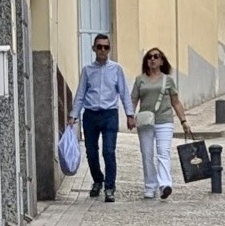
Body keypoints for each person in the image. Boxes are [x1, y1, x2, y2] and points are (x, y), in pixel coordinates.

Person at [67, 34, 135, 203]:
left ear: (109, 49)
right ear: (94, 49)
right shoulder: (87, 70)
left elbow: (124, 93)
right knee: (91, 153)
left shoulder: (116, 69)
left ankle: (110, 187)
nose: (103, 50)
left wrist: (130, 114)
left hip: (109, 114)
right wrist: (73, 115)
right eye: (99, 47)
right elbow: (80, 94)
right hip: (90, 115)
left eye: (106, 47)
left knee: (108, 151)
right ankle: (98, 180)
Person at [131, 47, 191, 200]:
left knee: (163, 153)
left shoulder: (168, 80)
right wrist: (130, 116)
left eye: (156, 56)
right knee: (147, 154)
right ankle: (150, 186)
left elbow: (176, 102)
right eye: (149, 57)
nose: (152, 59)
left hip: (164, 120)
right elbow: (133, 100)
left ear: (161, 61)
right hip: (145, 122)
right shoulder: (140, 80)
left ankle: (165, 185)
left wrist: (183, 121)